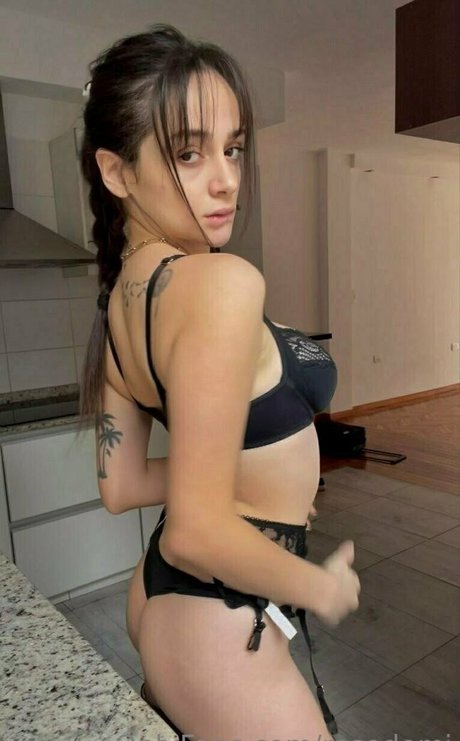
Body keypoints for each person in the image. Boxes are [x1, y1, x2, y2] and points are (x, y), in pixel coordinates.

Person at [79, 24, 360, 739]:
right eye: (188, 152)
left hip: (170, 604)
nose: (226, 178)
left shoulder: (121, 303)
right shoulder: (219, 284)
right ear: (117, 172)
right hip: (221, 614)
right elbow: (196, 533)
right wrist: (320, 587)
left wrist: (242, 477)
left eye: (232, 148)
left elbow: (120, 485)